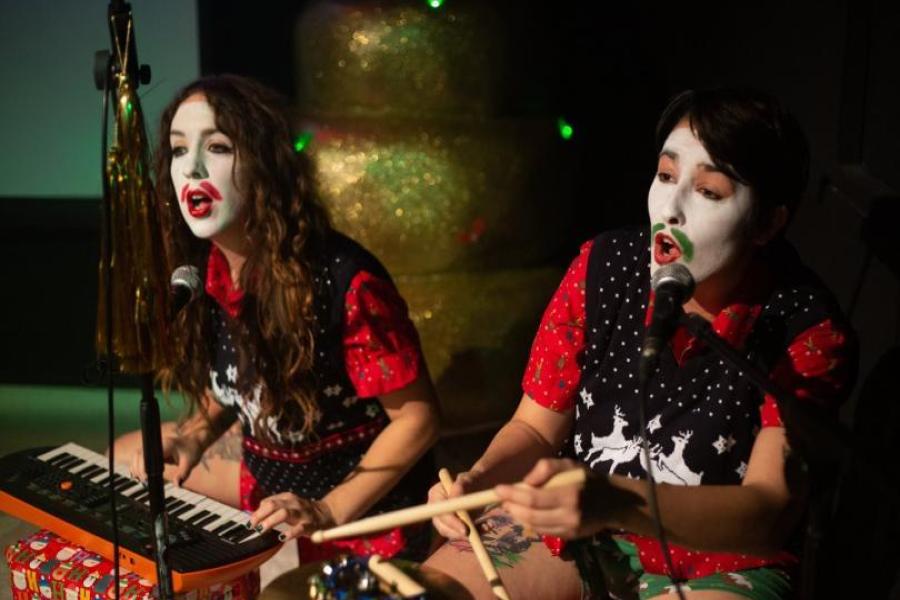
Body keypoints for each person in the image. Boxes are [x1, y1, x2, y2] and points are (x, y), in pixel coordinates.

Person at [424, 88, 857, 599]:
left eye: (709, 192)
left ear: (767, 223)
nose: (669, 208)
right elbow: (535, 430)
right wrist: (476, 483)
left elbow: (767, 510)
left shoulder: (803, 326)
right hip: (580, 529)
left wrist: (616, 501)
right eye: (667, 176)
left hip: (717, 561)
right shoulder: (603, 267)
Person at [114, 74, 440, 562]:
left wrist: (328, 509)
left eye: (219, 147)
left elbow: (418, 420)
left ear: (266, 166)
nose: (193, 168)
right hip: (270, 484)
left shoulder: (345, 281)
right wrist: (194, 436)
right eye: (179, 151)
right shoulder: (205, 271)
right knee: (124, 453)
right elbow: (233, 384)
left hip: (363, 516)